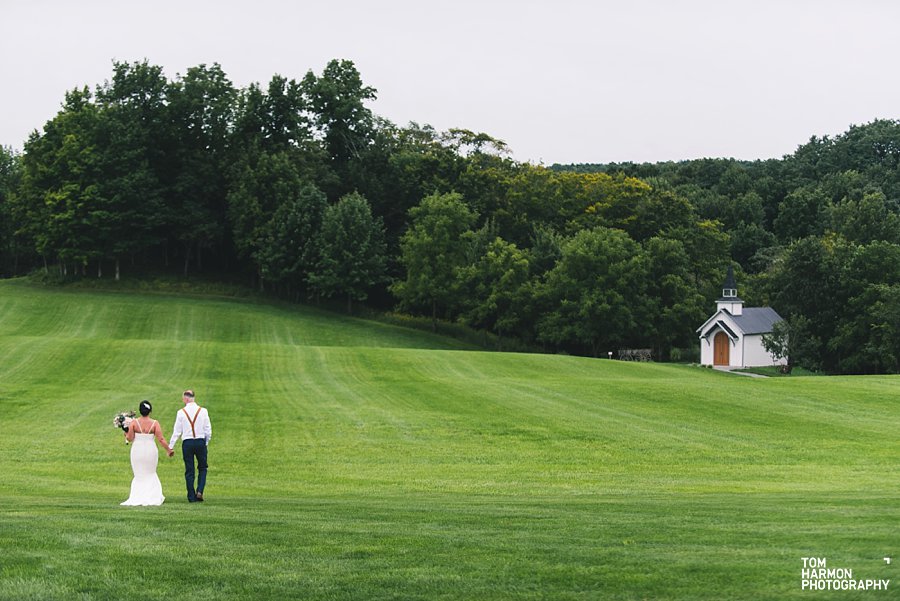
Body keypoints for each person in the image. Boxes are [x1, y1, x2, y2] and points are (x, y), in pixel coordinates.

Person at [121, 400, 172, 506]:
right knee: (150, 472)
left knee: (139, 473)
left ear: (140, 411)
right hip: (150, 450)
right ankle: (152, 495)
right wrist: (168, 450)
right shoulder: (155, 423)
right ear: (150, 411)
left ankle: (137, 496)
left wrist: (125, 433)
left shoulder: (134, 423)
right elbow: (161, 439)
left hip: (137, 450)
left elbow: (130, 438)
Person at [168, 389, 212, 503]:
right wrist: (206, 442)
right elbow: (208, 429)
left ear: (186, 398)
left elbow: (177, 431)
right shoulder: (203, 411)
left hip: (187, 443)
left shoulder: (181, 412)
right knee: (202, 467)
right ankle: (200, 491)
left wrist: (170, 446)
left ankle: (191, 496)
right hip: (200, 441)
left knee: (189, 469)